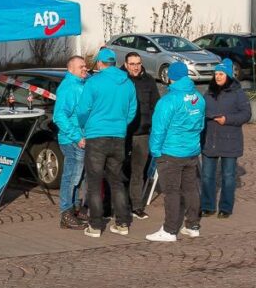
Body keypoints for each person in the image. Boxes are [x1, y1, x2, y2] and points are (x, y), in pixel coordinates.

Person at [76, 48, 137, 238]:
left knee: (94, 182)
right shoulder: (127, 82)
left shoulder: (93, 82)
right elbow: (132, 110)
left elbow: (82, 110)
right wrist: (120, 125)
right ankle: (122, 223)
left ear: (101, 63)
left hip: (96, 136)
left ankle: (95, 226)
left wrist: (85, 126)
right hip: (118, 136)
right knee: (117, 181)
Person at [145, 61, 206, 242]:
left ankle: (170, 230)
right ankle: (193, 225)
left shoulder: (168, 101)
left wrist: (155, 151)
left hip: (170, 152)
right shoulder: (198, 98)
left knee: (171, 191)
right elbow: (200, 125)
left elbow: (158, 129)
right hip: (191, 151)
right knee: (191, 189)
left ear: (170, 77)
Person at [200, 59, 251, 219]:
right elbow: (200, 110)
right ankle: (207, 206)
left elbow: (246, 114)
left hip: (230, 139)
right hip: (210, 139)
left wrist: (227, 119)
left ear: (228, 75)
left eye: (221, 74)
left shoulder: (238, 93)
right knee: (207, 175)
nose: (218, 77)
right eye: (216, 74)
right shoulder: (208, 92)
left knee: (228, 176)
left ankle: (225, 208)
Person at [122, 52, 160, 220]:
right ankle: (120, 205)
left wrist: (150, 122)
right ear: (125, 64)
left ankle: (136, 205)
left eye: (138, 63)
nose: (136, 67)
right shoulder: (120, 80)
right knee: (120, 170)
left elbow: (156, 104)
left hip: (142, 133)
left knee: (138, 171)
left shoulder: (149, 80)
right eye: (132, 64)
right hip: (122, 133)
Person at [52, 55, 88, 230]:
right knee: (70, 177)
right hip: (72, 140)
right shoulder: (68, 88)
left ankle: (74, 209)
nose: (85, 69)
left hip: (81, 138)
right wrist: (76, 136)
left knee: (78, 177)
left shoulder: (82, 85)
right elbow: (59, 116)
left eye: (85, 66)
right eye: (81, 67)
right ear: (71, 69)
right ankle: (65, 213)